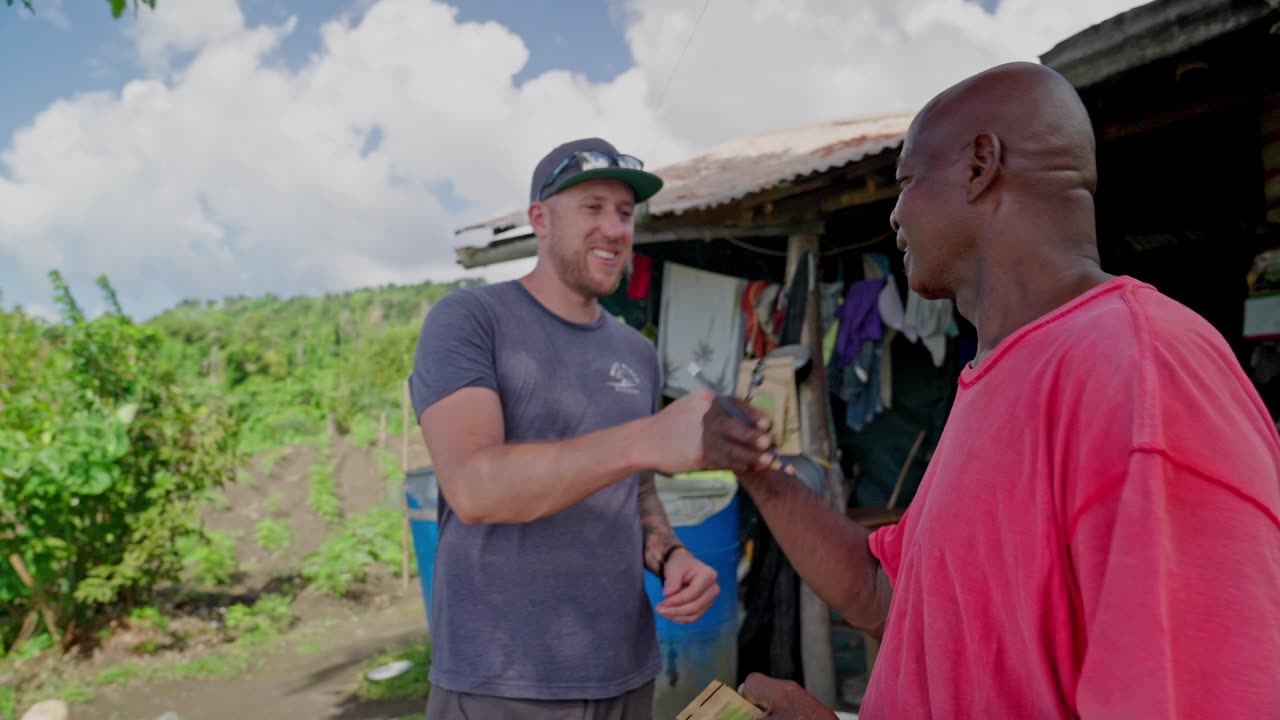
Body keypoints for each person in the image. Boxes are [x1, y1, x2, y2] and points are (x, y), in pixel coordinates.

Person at [700, 62, 1280, 718]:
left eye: (907, 182)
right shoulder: (1002, 374)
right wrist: (756, 468)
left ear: (980, 163)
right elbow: (887, 595)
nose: (894, 214)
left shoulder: (1139, 369)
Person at [411, 137, 720, 719]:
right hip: (502, 681)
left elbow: (636, 489)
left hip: (625, 674)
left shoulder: (636, 352)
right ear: (540, 219)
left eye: (625, 213)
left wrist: (671, 555)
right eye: (592, 208)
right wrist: (647, 437)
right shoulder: (471, 320)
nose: (615, 228)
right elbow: (474, 488)